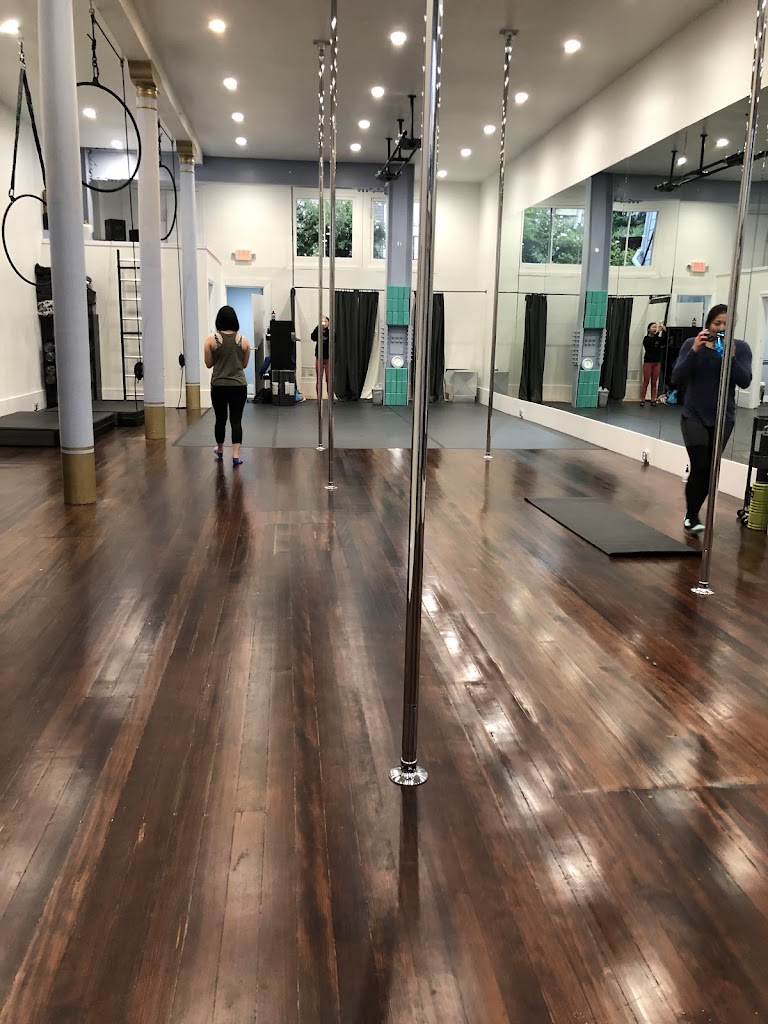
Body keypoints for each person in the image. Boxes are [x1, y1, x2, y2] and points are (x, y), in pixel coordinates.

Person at [672, 303, 752, 534]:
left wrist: (731, 357)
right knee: (700, 465)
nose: (721, 328)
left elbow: (744, 381)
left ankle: (693, 514)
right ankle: (691, 515)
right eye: (717, 323)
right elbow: (677, 376)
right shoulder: (691, 344)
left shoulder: (741, 348)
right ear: (709, 324)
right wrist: (694, 350)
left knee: (709, 471)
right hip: (693, 415)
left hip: (723, 418)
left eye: (726, 324)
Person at [204, 306, 250, 466]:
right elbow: (244, 364)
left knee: (220, 419)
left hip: (219, 385)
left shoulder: (211, 340)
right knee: (236, 421)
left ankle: (221, 449)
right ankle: (236, 455)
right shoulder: (243, 340)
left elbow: (208, 364)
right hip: (239, 385)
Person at [640, 321, 665, 407]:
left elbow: (665, 342)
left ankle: (653, 399)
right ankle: (642, 399)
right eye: (653, 327)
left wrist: (664, 330)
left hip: (656, 362)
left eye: (656, 327)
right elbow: (650, 344)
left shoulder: (658, 338)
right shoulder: (646, 339)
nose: (655, 329)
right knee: (646, 382)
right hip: (648, 362)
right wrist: (658, 332)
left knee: (654, 382)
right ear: (648, 329)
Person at [312, 316, 330, 398]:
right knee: (319, 379)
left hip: (328, 359)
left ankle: (329, 397)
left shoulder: (329, 332)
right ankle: (319, 397)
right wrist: (318, 328)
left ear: (328, 323)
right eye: (322, 322)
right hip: (319, 358)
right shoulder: (318, 331)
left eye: (325, 322)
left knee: (328, 379)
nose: (324, 323)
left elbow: (335, 339)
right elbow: (313, 337)